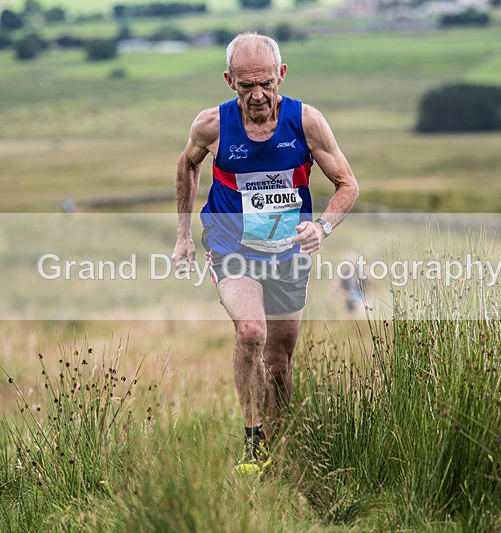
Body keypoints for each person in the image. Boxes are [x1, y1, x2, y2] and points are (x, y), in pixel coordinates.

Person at [172, 32, 359, 476]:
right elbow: (188, 164)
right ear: (228, 80)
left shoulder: (307, 122)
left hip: (288, 253)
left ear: (282, 75)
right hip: (231, 245)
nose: (257, 96)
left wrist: (322, 225)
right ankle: (254, 445)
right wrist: (182, 234)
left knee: (278, 364)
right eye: (245, 86)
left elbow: (348, 184)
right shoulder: (212, 125)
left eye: (266, 84)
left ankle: (285, 445)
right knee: (252, 331)